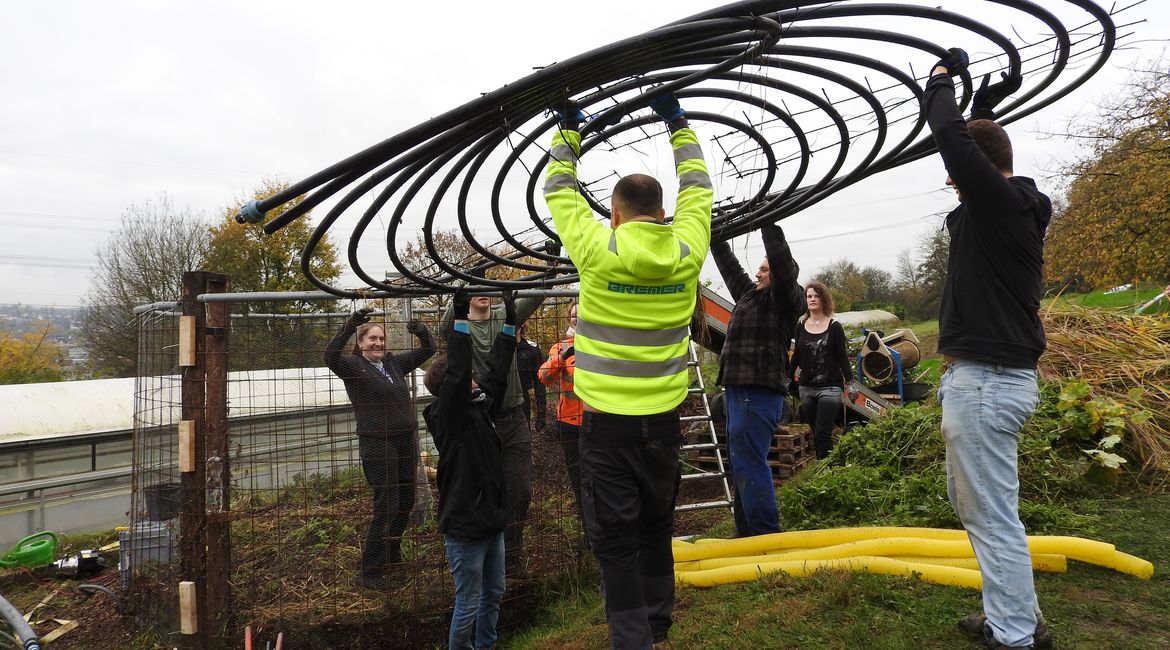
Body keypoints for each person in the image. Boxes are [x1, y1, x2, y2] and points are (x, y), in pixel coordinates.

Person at [544, 90, 711, 650]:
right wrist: (677, 121)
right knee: (656, 524)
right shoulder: (688, 248)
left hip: (607, 424)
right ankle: (657, 625)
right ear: (662, 214)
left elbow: (558, 190)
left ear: (613, 213)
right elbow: (699, 188)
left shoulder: (596, 248)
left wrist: (569, 128)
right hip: (664, 419)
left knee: (613, 537)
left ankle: (632, 638)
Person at [926, 48, 1053, 650]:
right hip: (986, 380)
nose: (950, 178)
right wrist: (985, 101)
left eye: (957, 171)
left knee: (992, 514)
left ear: (978, 169)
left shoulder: (1001, 205)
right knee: (976, 506)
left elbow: (952, 138)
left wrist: (943, 79)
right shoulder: (1007, 207)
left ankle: (1015, 634)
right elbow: (971, 146)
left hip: (987, 382)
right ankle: (1011, 614)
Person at [423, 289, 519, 650]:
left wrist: (509, 325)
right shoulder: (451, 419)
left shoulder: (480, 409)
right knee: (469, 602)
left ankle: (487, 646)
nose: (474, 379)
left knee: (494, 592)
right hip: (465, 526)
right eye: (465, 379)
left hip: (490, 521)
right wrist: (460, 316)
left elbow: (496, 371)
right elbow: (462, 369)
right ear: (454, 387)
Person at [439, 279, 548, 574]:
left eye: (485, 287)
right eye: (476, 289)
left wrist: (548, 267)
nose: (482, 294)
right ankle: (481, 556)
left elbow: (537, 296)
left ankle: (511, 556)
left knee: (520, 489)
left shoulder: (503, 313)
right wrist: (460, 292)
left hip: (513, 416)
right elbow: (448, 322)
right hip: (479, 422)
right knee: (483, 491)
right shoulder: (456, 321)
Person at [323, 307, 436, 590]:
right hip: (378, 442)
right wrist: (351, 324)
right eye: (372, 339)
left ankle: (391, 556)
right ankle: (369, 571)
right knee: (387, 504)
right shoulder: (352, 366)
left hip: (404, 440)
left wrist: (420, 330)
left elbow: (429, 349)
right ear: (360, 343)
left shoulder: (393, 364)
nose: (378, 343)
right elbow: (329, 356)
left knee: (406, 501)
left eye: (381, 339)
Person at [709, 225, 804, 537]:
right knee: (741, 464)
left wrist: (768, 224)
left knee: (750, 461)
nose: (759, 272)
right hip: (738, 388)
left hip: (758, 390)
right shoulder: (750, 296)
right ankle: (746, 532)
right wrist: (714, 235)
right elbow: (729, 267)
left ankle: (765, 533)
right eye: (759, 268)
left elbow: (782, 265)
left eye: (766, 268)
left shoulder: (786, 300)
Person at [788, 281, 851, 460]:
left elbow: (842, 357)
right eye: (809, 296)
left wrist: (851, 381)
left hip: (830, 387)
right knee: (816, 431)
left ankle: (827, 469)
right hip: (806, 387)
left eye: (816, 296)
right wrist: (788, 377)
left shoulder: (834, 326)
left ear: (824, 299)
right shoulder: (801, 325)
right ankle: (825, 465)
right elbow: (797, 354)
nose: (812, 299)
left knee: (823, 431)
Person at [537, 301, 584, 519]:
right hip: (569, 423)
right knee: (578, 480)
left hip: (598, 421)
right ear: (568, 319)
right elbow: (544, 377)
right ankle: (588, 534)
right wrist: (563, 357)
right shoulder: (560, 348)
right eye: (573, 315)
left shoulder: (600, 343)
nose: (577, 318)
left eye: (581, 314)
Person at [516, 324, 548, 434]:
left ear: (523, 323)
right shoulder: (494, 346)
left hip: (523, 400)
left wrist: (541, 413)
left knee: (523, 435)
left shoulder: (531, 348)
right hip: (499, 402)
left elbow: (539, 381)